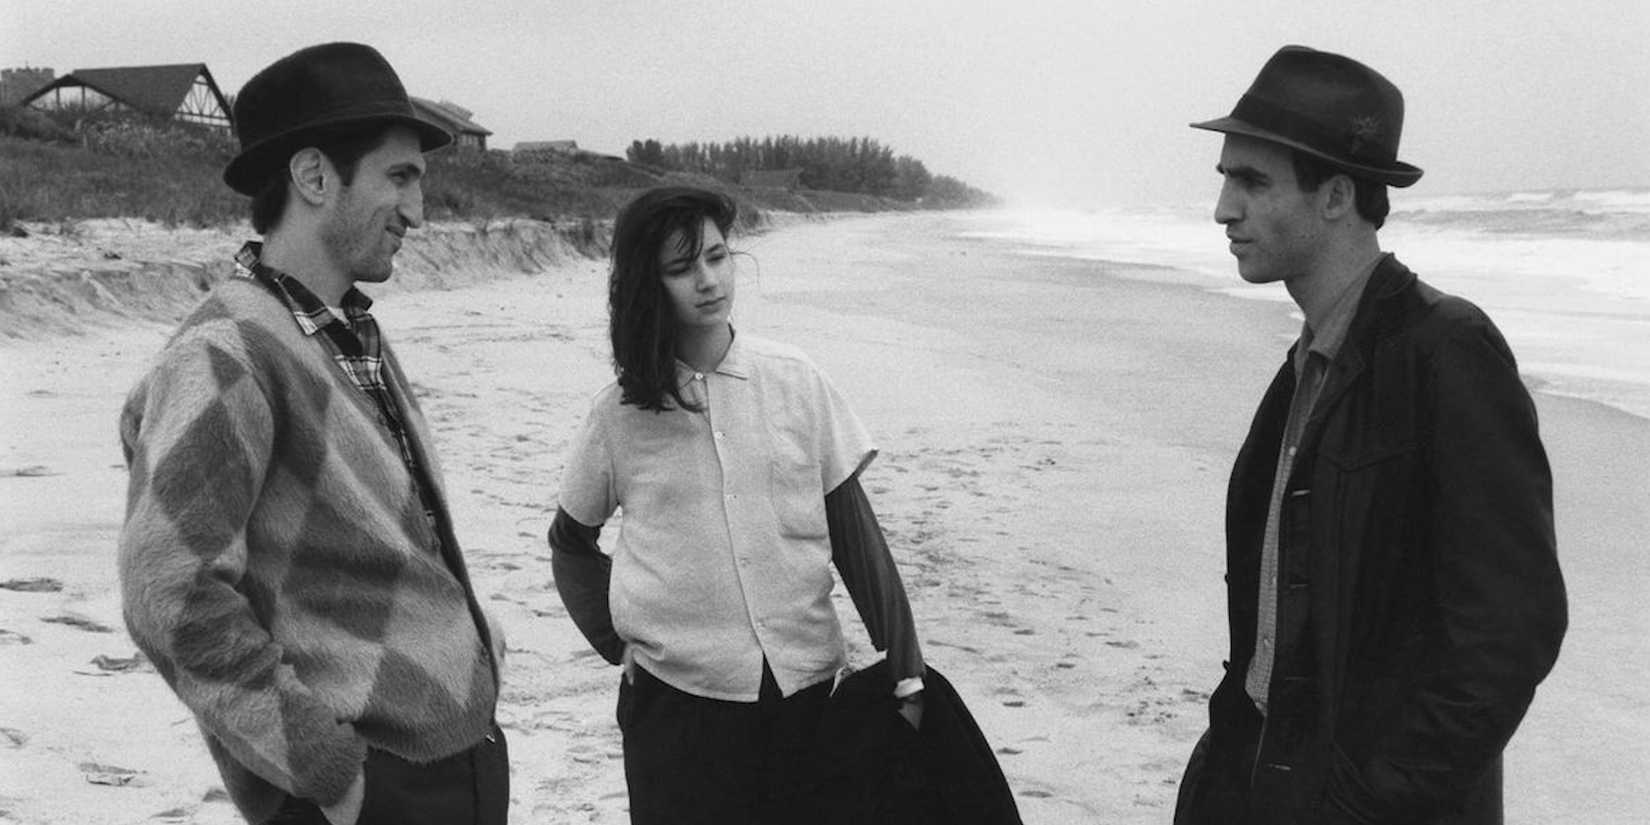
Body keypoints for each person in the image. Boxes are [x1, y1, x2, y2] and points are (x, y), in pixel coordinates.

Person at [1175, 45, 1568, 825]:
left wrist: (1370, 800)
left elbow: (1509, 634)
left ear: (1336, 196)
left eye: (1252, 181)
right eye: (1226, 177)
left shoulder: (1445, 351)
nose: (1224, 207)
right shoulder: (1304, 369)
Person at [117, 42, 507, 825]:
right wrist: (327, 768)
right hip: (367, 787)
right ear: (315, 176)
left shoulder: (341, 329)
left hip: (447, 760)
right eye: (399, 177)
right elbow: (170, 589)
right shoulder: (226, 352)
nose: (419, 212)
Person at [546, 186, 926, 824]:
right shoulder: (618, 416)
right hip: (676, 710)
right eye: (681, 267)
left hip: (804, 696)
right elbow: (570, 542)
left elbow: (857, 539)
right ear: (649, 284)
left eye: (717, 258)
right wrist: (617, 644)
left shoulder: (796, 381)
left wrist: (906, 669)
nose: (707, 280)